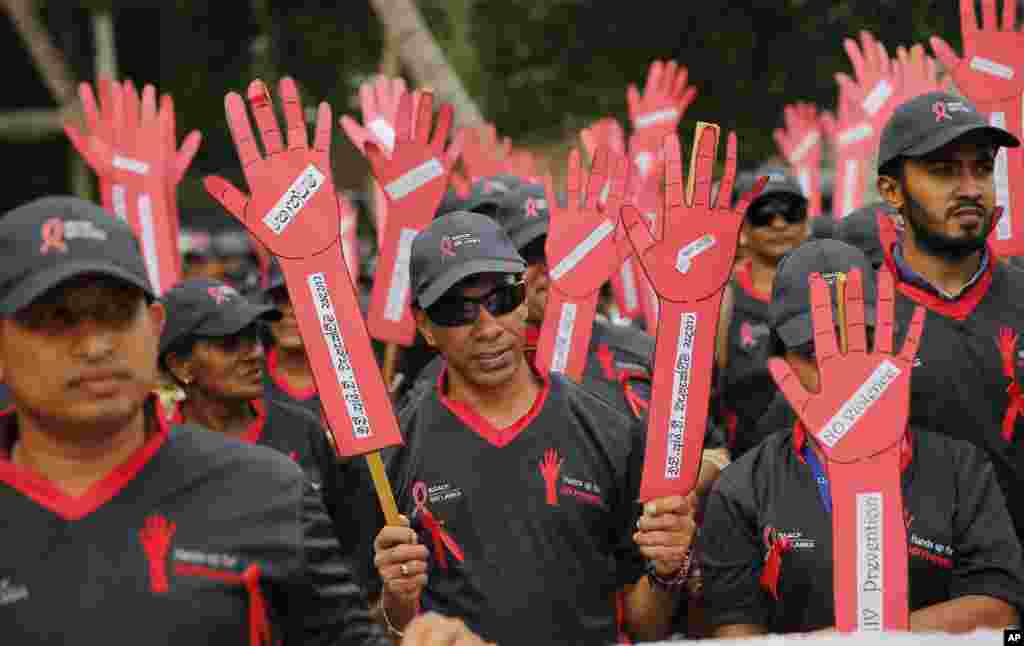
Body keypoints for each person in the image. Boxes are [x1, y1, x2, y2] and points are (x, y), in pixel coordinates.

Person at [0, 196, 394, 645]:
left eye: (116, 314)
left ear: (153, 326)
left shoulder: (271, 492)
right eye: (56, 320)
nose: (95, 346)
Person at [372, 211, 695, 644]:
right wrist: (398, 600)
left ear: (525, 299)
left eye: (501, 299)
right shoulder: (391, 454)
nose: (487, 328)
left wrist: (667, 569)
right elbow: (382, 628)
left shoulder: (611, 433)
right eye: (458, 310)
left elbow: (644, 624)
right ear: (425, 325)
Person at [700, 239, 1024, 635]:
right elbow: (734, 631)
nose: (841, 371)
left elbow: (1001, 615)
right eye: (814, 350)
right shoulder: (744, 487)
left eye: (858, 343)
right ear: (781, 360)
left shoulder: (962, 469)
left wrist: (859, 638)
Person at [156, 278, 364, 547]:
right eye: (229, 343)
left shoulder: (300, 429)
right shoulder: (160, 451)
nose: (254, 353)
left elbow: (347, 538)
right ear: (181, 365)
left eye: (252, 336)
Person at [718, 174, 810, 456]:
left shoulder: (830, 289)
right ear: (742, 226)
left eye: (790, 212)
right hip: (745, 466)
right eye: (764, 214)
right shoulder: (723, 297)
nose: (779, 223)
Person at [261, 259, 320, 417]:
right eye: (280, 299)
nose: (289, 311)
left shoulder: (354, 386)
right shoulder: (243, 379)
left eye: (303, 298)